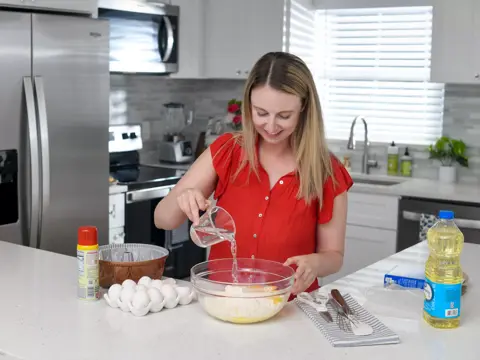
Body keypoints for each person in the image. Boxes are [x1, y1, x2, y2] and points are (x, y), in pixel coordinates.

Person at [154, 52, 353, 295]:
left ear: (304, 108)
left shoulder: (327, 172)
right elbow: (162, 219)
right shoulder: (228, 151)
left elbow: (334, 256)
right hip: (224, 303)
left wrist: (314, 264)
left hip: (291, 311)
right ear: (249, 105)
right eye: (261, 113)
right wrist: (184, 197)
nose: (270, 126)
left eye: (284, 116)